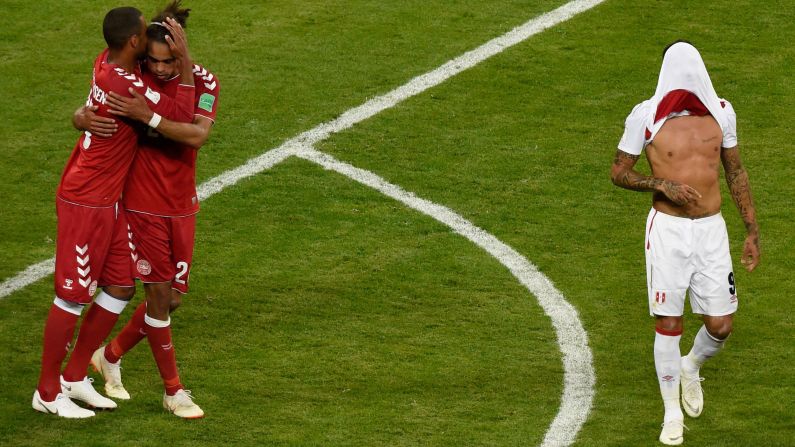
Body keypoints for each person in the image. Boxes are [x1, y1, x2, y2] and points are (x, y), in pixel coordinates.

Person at [33, 7, 195, 418]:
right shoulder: (126, 86)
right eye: (144, 37)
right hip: (85, 198)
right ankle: (47, 393)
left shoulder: (105, 61)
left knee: (121, 286)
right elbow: (180, 116)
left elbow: (129, 50)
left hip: (109, 201)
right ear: (134, 44)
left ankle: (74, 377)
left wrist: (78, 117)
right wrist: (187, 62)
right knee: (72, 297)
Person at [74, 0, 219, 419]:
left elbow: (195, 136)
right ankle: (174, 391)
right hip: (141, 205)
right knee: (157, 295)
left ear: (183, 52)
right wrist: (80, 117)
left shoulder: (206, 82)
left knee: (172, 299)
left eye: (170, 61)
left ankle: (110, 355)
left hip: (182, 205)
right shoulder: (132, 77)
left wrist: (149, 117)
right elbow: (96, 102)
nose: (158, 69)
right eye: (153, 60)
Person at [611, 40, 760, 445]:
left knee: (721, 325)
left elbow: (736, 172)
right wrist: (661, 183)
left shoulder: (722, 114)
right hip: (668, 232)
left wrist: (751, 230)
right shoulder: (646, 117)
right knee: (669, 321)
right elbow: (619, 172)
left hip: (712, 230)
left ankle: (691, 366)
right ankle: (671, 412)